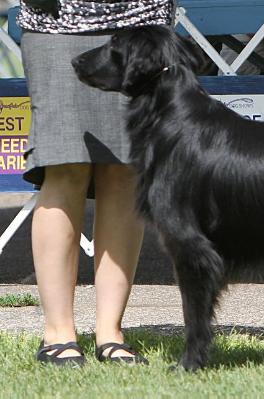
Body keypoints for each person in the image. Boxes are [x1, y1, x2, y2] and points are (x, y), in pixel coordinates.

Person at [17, 0, 175, 365]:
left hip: (140, 24)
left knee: (125, 172)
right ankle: (58, 334)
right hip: (56, 22)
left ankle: (111, 333)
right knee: (64, 168)